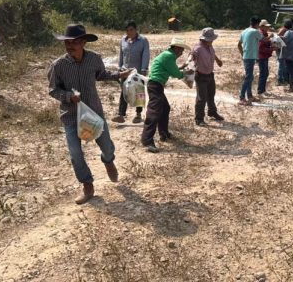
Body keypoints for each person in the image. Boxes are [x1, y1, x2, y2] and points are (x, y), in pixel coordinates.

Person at [47, 24, 131, 204]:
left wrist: (119, 75)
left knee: (107, 147)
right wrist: (68, 96)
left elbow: (101, 75)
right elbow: (53, 90)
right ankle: (87, 184)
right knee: (75, 154)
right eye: (66, 43)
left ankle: (108, 161)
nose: (69, 46)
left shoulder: (94, 59)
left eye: (74, 42)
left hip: (93, 113)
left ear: (83, 42)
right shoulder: (58, 66)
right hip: (71, 116)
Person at [141, 37, 194, 153]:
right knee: (154, 112)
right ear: (176, 48)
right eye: (181, 50)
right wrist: (187, 73)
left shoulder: (168, 55)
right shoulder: (169, 56)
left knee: (165, 108)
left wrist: (182, 68)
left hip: (156, 84)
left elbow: (170, 69)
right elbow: (176, 74)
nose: (181, 52)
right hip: (155, 84)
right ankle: (147, 140)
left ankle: (164, 133)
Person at [112, 21, 150, 124]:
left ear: (136, 29)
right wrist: (120, 68)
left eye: (131, 30)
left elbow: (146, 55)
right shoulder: (123, 40)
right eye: (127, 30)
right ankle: (121, 115)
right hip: (125, 71)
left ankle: (138, 114)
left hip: (137, 71)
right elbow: (121, 55)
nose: (129, 32)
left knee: (139, 92)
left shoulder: (143, 41)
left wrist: (144, 69)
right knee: (124, 91)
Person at [191, 28, 225, 126]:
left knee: (211, 95)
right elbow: (190, 59)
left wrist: (218, 60)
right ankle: (199, 119)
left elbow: (213, 54)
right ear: (205, 39)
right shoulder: (197, 49)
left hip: (210, 74)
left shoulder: (209, 45)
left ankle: (212, 112)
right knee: (201, 98)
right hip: (201, 76)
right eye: (211, 39)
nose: (212, 41)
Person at [237, 16, 263, 105]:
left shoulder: (244, 31)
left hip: (246, 57)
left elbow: (239, 45)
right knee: (248, 77)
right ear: (257, 24)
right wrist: (271, 36)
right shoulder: (255, 31)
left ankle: (250, 96)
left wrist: (242, 54)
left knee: (250, 77)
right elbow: (264, 39)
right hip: (250, 57)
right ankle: (241, 97)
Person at [257, 19, 274, 96]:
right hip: (261, 56)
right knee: (263, 73)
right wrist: (271, 49)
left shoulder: (265, 34)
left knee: (265, 73)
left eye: (268, 26)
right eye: (266, 26)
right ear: (262, 26)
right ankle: (260, 91)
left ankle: (263, 90)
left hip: (265, 56)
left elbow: (266, 44)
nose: (268, 28)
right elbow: (260, 48)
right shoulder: (260, 34)